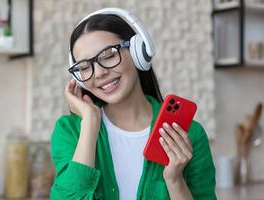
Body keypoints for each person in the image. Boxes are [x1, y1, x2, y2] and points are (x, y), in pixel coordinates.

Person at [50, 8, 216, 200]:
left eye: (108, 55)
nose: (98, 73)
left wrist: (175, 181)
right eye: (85, 67)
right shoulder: (69, 131)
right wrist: (90, 123)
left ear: (139, 50)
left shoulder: (190, 134)